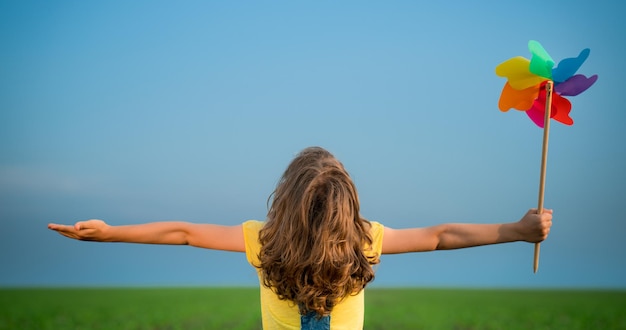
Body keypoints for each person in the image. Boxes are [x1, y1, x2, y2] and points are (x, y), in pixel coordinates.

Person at [48, 146, 553, 330]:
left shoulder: (263, 241)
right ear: (347, 205)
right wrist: (516, 230)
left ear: (285, 200)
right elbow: (442, 236)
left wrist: (110, 234)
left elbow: (181, 232)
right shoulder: (366, 241)